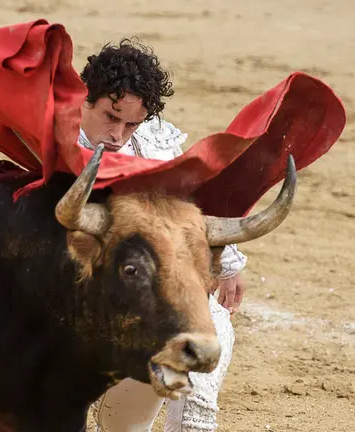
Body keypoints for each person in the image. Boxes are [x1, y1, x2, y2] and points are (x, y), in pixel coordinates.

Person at [78, 38, 247, 432]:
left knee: (209, 316)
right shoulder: (52, 138)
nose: (117, 134)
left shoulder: (153, 143)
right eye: (110, 117)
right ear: (85, 100)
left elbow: (191, 203)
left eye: (131, 123)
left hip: (133, 306)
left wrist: (228, 263)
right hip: (73, 310)